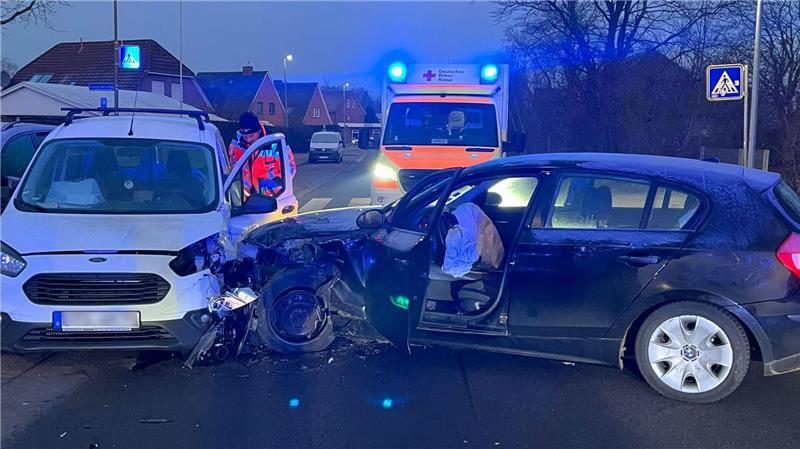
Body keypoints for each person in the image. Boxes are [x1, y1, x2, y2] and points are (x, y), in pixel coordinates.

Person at [229, 112, 296, 198]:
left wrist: (278, 181)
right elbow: (234, 168)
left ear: (259, 131)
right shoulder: (236, 145)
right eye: (245, 136)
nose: (248, 140)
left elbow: (290, 167)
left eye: (251, 136)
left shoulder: (275, 142)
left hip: (274, 197)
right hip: (246, 198)